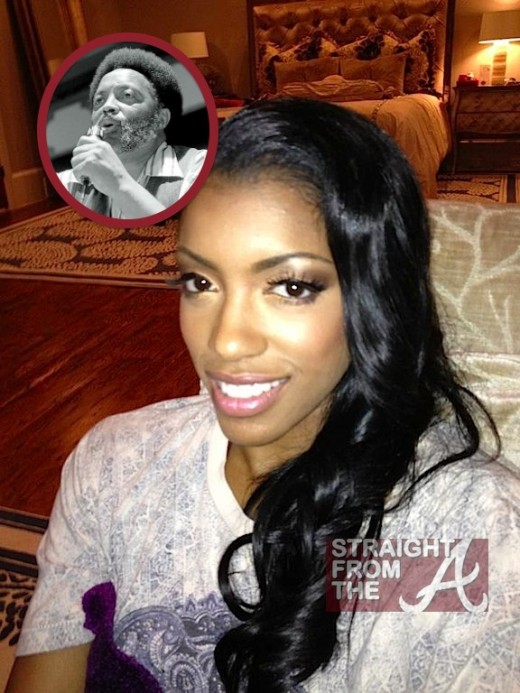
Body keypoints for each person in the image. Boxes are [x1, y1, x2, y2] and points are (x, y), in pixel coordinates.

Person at [8, 99, 519, 692]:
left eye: (290, 286)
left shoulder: (460, 531)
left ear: (378, 296)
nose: (225, 342)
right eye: (200, 281)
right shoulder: (112, 464)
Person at [57, 47, 206, 219]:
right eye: (99, 100)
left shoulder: (198, 168)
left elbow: (184, 234)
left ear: (160, 119)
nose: (107, 106)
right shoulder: (68, 183)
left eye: (127, 95)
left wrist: (119, 183)